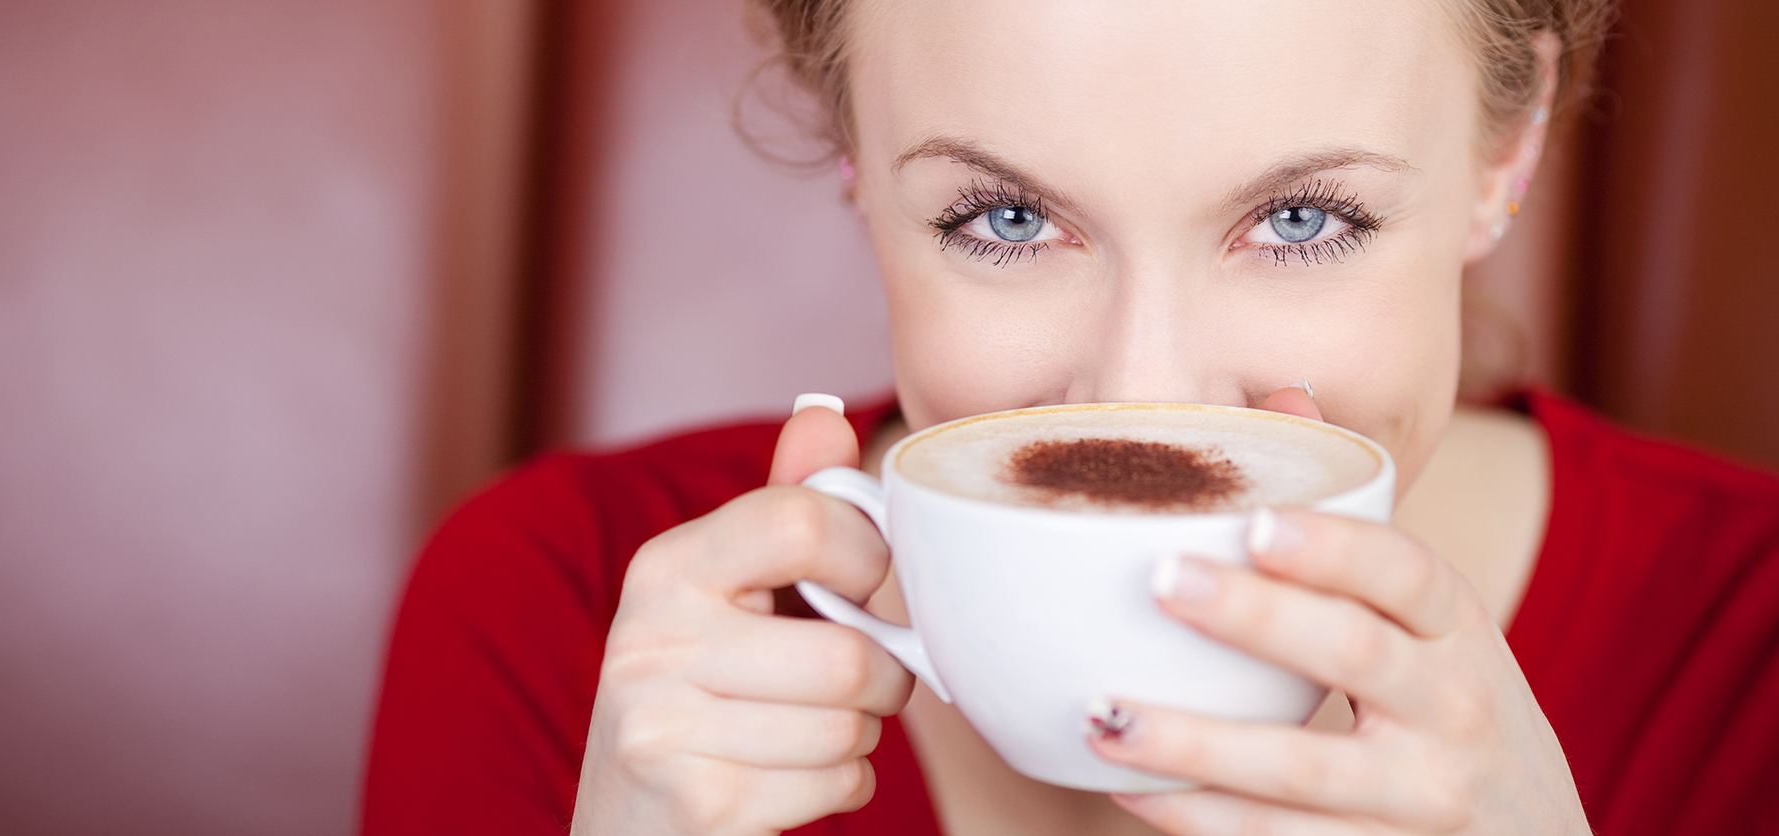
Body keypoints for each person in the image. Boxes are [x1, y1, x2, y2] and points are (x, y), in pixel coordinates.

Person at [362, 1, 1779, 833]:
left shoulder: (1747, 654)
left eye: (1302, 218)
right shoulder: (561, 617)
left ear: (1506, 146)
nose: (1145, 403)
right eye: (1007, 215)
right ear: (859, 159)